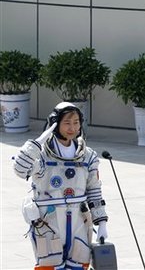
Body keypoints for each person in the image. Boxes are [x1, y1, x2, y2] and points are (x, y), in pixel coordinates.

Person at [13, 102, 108, 270]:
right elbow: (20, 169)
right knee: (50, 266)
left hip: (79, 221)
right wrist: (37, 142)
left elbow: (94, 190)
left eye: (76, 122)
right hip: (48, 222)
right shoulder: (42, 154)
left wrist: (101, 222)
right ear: (55, 123)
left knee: (79, 265)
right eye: (67, 123)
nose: (72, 127)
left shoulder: (87, 156)